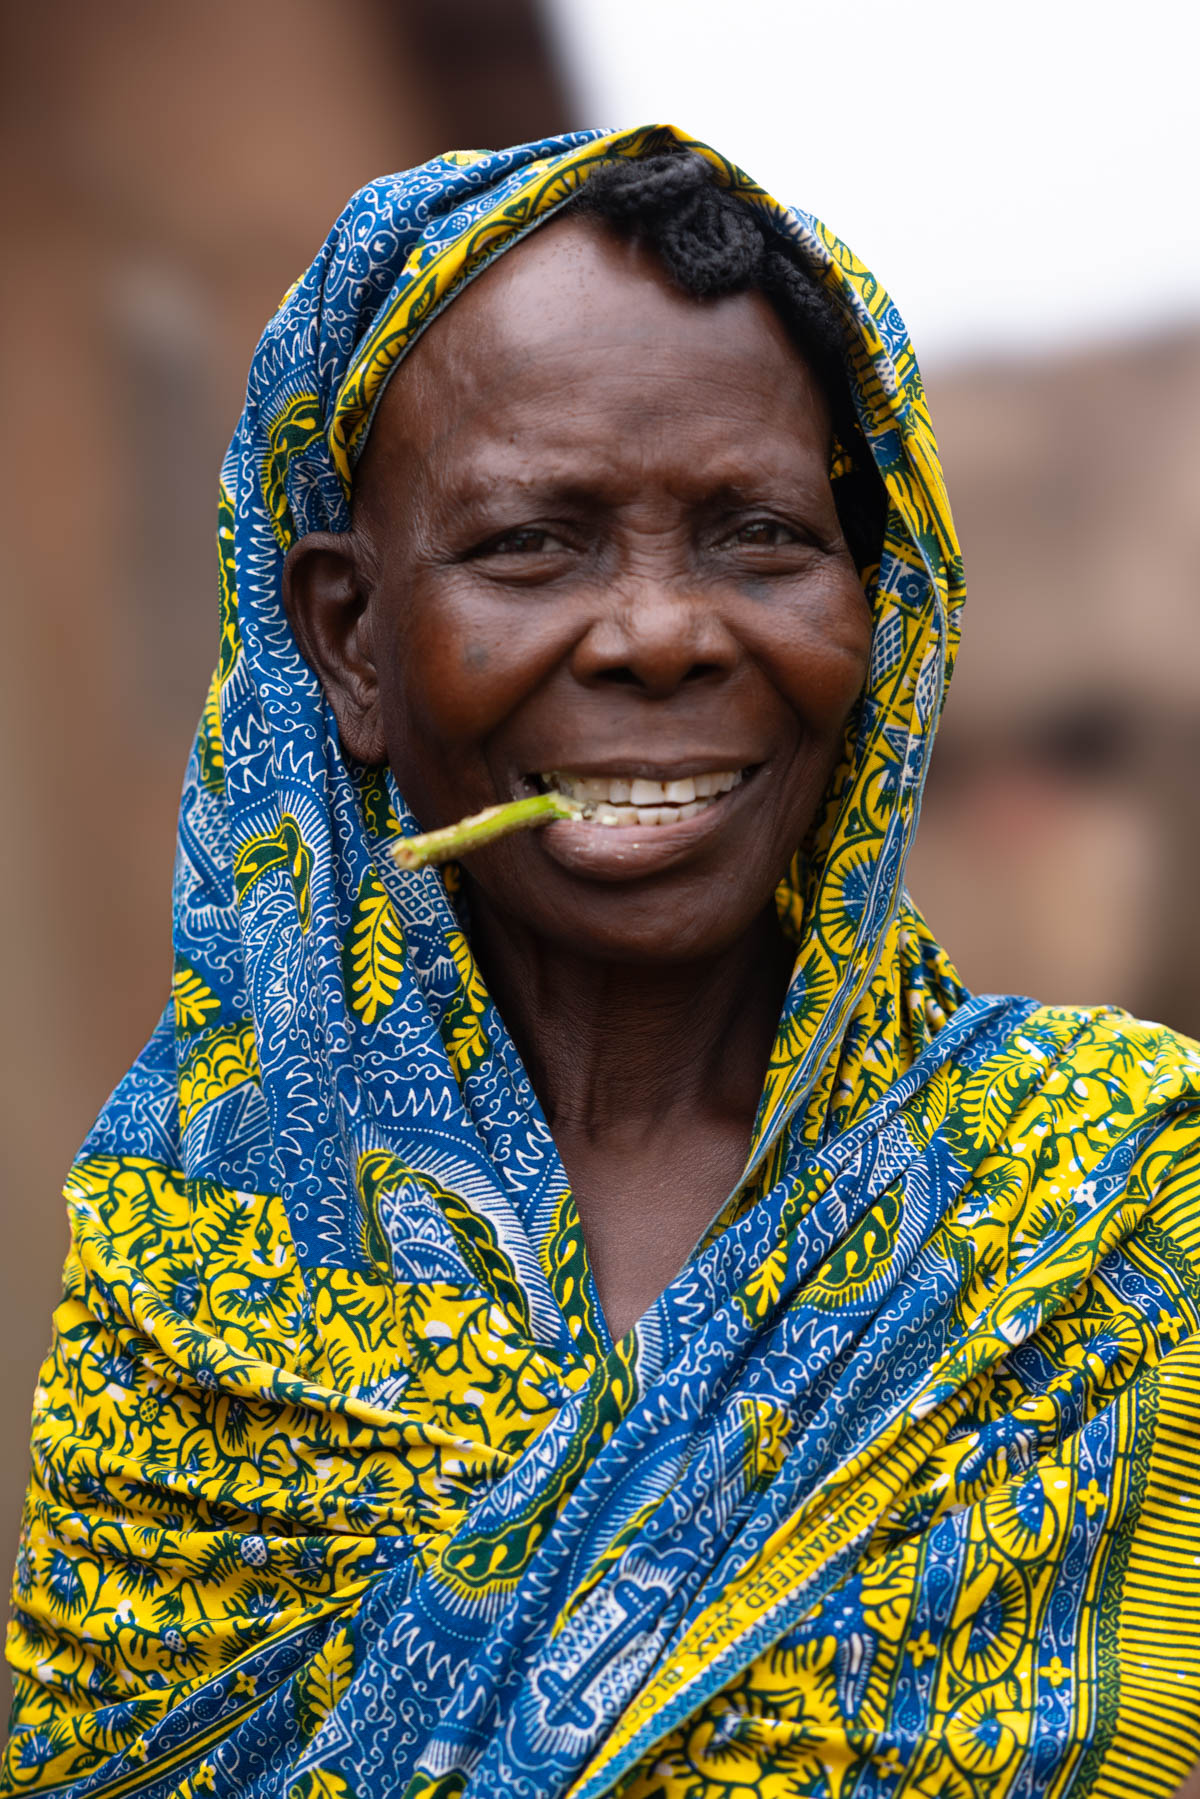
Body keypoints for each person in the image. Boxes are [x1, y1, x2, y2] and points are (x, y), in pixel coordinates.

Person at [5, 123, 1200, 1799]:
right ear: (350, 640)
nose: (659, 632)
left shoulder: (1122, 1201)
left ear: (887, 599)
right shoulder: (198, 1265)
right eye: (531, 546)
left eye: (762, 536)